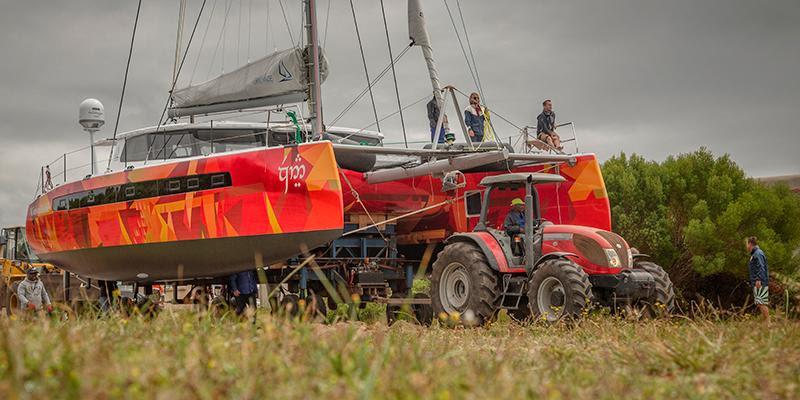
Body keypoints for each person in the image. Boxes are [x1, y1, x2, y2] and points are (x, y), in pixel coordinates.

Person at [746, 236, 770, 323]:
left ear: (750, 244)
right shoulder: (754, 254)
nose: (746, 246)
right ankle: (766, 322)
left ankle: (768, 323)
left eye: (747, 244)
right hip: (757, 281)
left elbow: (761, 267)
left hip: (760, 282)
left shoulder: (758, 253)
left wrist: (759, 279)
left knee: (761, 302)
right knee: (760, 302)